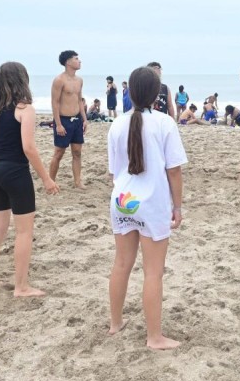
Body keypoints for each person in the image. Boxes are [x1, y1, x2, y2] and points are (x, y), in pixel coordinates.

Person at [107, 66, 187, 349]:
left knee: (121, 263)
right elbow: (174, 171)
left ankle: (115, 323)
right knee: (153, 271)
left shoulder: (117, 124)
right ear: (158, 94)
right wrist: (177, 206)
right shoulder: (164, 123)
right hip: (151, 203)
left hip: (123, 201)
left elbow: (113, 171)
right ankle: (154, 337)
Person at [0, 61, 59, 297]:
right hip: (15, 171)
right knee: (24, 231)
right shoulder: (25, 109)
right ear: (23, 80)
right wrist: (46, 179)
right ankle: (21, 286)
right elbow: (29, 148)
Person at [49, 50, 88, 189]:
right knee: (59, 153)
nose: (79, 61)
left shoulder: (79, 80)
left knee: (77, 152)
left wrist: (84, 119)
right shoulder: (59, 80)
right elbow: (55, 102)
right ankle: (50, 182)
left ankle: (77, 182)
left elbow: (79, 100)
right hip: (63, 120)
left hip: (77, 119)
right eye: (76, 59)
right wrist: (58, 124)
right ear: (68, 62)